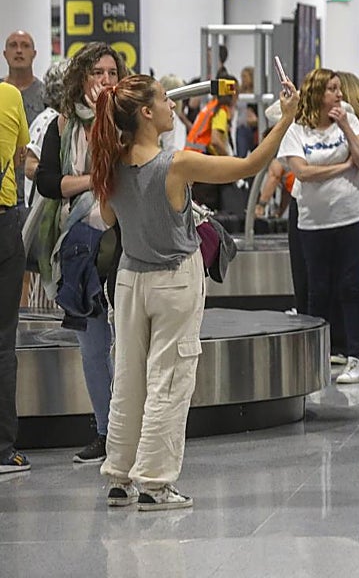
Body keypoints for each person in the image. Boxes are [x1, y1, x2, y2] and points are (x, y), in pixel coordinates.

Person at [89, 72, 299, 510]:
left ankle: (120, 476)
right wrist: (286, 120)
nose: (171, 106)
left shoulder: (110, 162)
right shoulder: (176, 163)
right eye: (164, 100)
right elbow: (247, 165)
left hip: (129, 281)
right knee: (169, 379)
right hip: (174, 280)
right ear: (146, 113)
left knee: (128, 378)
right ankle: (155, 482)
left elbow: (108, 219)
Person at [34, 43, 129, 464]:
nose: (105, 81)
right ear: (82, 78)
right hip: (78, 242)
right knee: (92, 343)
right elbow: (50, 182)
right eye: (97, 73)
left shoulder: (129, 120)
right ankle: (105, 430)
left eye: (111, 72)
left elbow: (130, 171)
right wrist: (93, 178)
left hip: (126, 238)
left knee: (129, 340)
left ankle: (133, 431)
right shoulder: (62, 126)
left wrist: (90, 173)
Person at [279, 69, 359, 385]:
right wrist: (341, 167)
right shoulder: (297, 130)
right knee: (317, 289)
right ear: (318, 93)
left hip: (353, 215)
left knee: (350, 285)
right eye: (332, 89)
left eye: (339, 88)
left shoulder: (347, 118)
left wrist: (347, 126)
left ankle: (355, 357)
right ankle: (315, 357)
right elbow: (302, 172)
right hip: (313, 221)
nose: (339, 94)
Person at [0, 80, 29, 475]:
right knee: (4, 340)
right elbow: (21, 153)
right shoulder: (9, 96)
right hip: (3, 224)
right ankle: (4, 449)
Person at [23, 61, 66, 207]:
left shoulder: (61, 119)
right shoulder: (48, 120)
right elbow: (30, 167)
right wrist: (59, 178)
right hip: (41, 209)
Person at [4, 31, 45, 128]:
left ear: (34, 54)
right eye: (13, 45)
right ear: (5, 54)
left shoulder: (46, 95)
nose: (19, 50)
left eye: (25, 46)